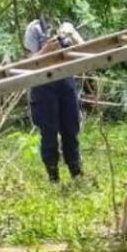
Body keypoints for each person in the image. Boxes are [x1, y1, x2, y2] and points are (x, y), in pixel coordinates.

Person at [24, 17, 84, 183]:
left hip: (65, 81)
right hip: (43, 86)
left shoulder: (65, 24)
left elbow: (83, 49)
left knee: (71, 129)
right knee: (49, 132)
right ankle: (53, 177)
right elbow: (28, 62)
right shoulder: (34, 28)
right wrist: (46, 51)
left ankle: (76, 173)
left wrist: (72, 35)